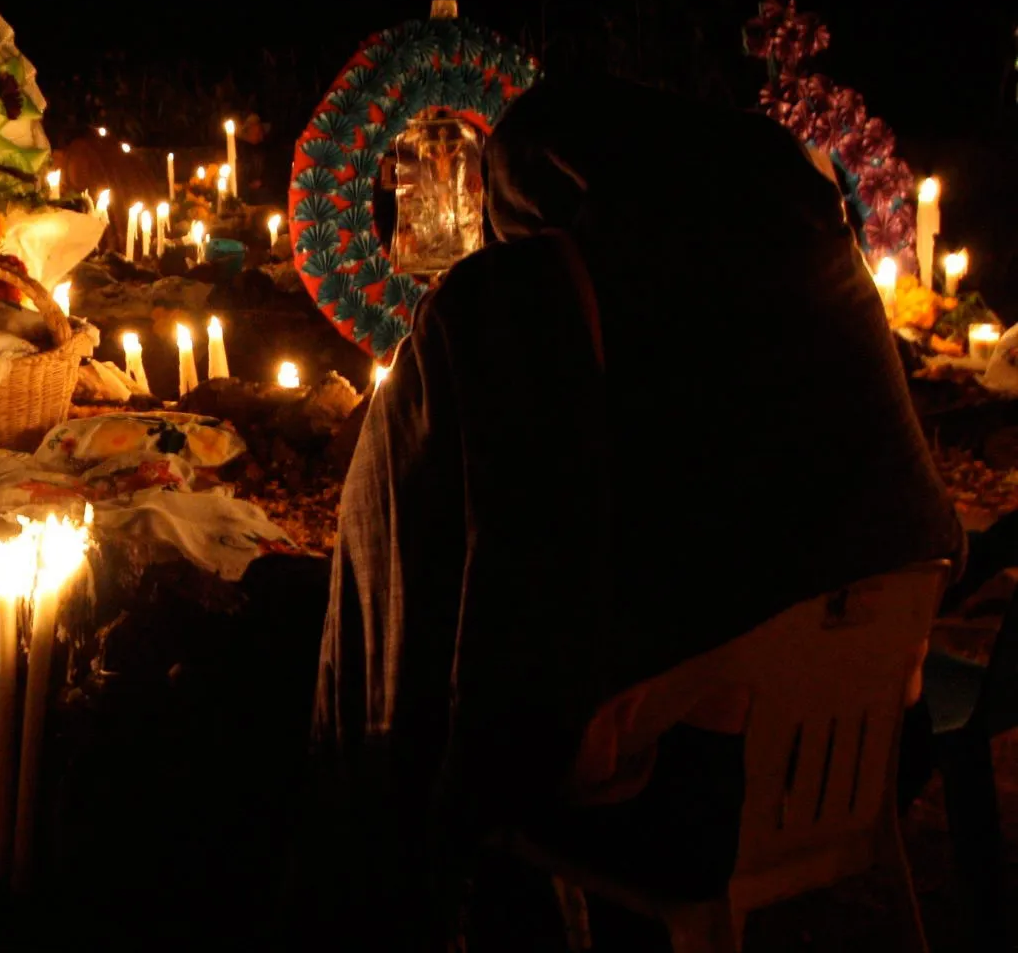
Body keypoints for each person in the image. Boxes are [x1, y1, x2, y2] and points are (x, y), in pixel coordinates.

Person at [309, 76, 965, 948]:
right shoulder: (807, 289)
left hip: (695, 810)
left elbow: (518, 616)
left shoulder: (559, 322)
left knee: (476, 733)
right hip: (878, 753)